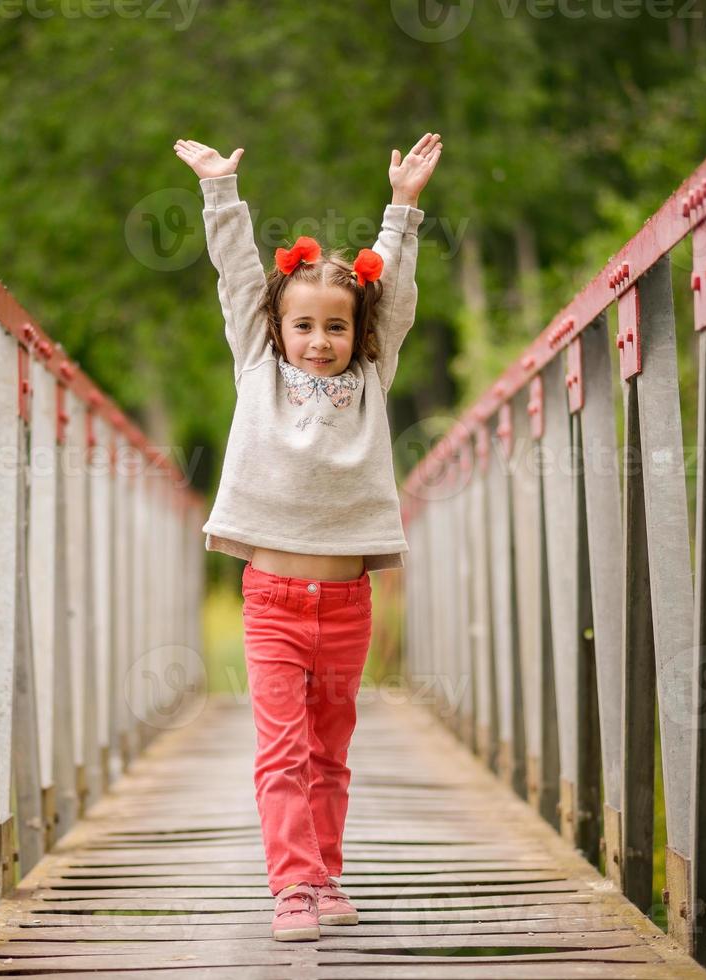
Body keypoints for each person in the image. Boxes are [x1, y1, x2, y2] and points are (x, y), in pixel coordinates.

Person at [172, 134, 442, 941]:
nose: (318, 340)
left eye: (334, 327)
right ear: (277, 329)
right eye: (303, 326)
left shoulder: (369, 377)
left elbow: (391, 300)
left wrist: (402, 208)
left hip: (348, 600)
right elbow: (237, 280)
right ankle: (290, 887)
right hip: (273, 599)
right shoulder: (257, 366)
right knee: (283, 750)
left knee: (330, 751)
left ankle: (325, 874)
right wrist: (221, 191)